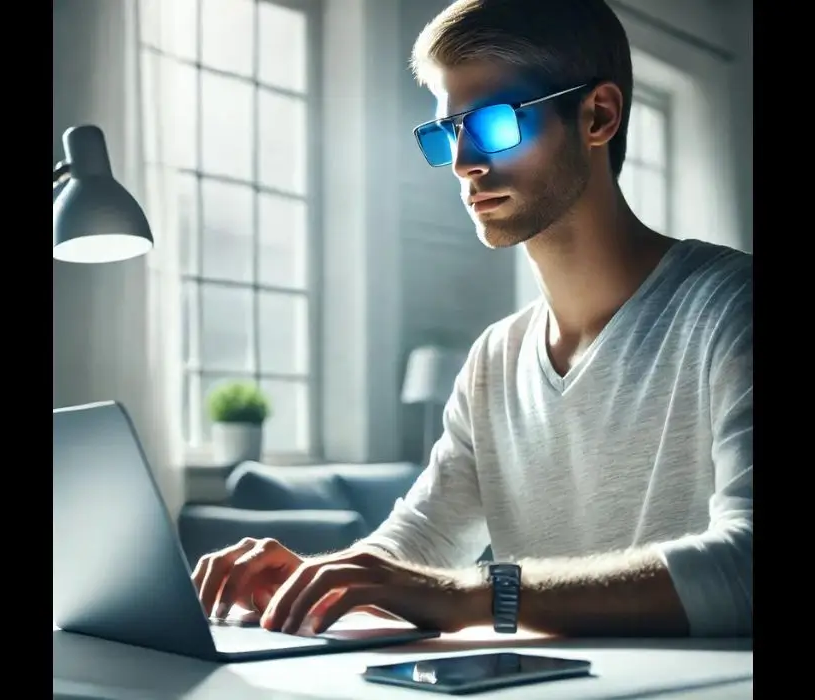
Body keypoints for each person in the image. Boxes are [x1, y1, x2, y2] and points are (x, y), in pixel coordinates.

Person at [191, 0, 752, 639]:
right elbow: (423, 544)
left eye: (492, 123)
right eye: (445, 133)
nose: (463, 163)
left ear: (598, 115)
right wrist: (313, 578)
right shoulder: (496, 357)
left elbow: (747, 566)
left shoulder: (731, 309)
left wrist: (483, 595)